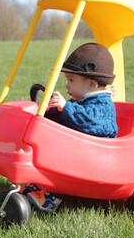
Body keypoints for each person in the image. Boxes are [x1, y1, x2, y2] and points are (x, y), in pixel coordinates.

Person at [21, 42, 119, 213]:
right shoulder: (80, 101)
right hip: (80, 154)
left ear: (93, 84)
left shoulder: (103, 105)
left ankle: (52, 193)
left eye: (71, 80)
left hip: (96, 162)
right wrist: (47, 115)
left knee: (56, 155)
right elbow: (67, 120)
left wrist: (66, 108)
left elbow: (90, 123)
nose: (67, 86)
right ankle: (38, 184)